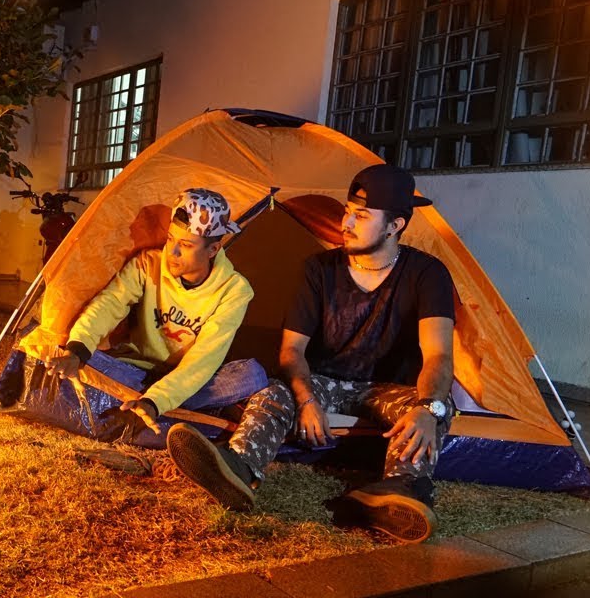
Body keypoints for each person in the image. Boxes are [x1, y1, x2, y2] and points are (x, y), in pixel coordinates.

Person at [167, 164, 457, 543]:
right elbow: (292, 350)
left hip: (387, 389)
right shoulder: (318, 269)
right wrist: (306, 400)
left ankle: (400, 490)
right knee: (274, 392)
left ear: (395, 226)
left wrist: (427, 408)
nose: (346, 222)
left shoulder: (427, 273)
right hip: (323, 382)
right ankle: (239, 467)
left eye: (362, 215)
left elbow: (438, 355)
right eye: (347, 211)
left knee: (437, 406)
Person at [27, 188, 255, 433]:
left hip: (186, 381)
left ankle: (144, 409)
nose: (173, 252)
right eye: (170, 239)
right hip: (135, 372)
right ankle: (177, 417)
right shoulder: (148, 264)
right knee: (70, 357)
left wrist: (155, 401)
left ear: (213, 250)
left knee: (250, 375)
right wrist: (77, 350)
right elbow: (109, 304)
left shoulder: (234, 290)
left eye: (186, 245)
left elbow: (203, 361)